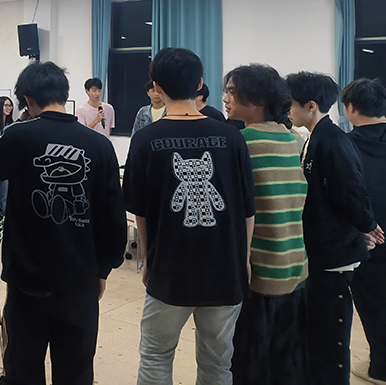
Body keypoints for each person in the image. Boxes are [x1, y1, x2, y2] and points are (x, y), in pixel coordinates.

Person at [0, 62, 127, 385]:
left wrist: (18, 130)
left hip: (26, 279)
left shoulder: (19, 135)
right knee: (75, 371)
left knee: (23, 368)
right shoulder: (100, 146)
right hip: (80, 280)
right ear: (65, 93)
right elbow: (113, 219)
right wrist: (103, 270)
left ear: (27, 99)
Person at [123, 48, 255, 385]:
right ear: (199, 84)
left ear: (156, 87)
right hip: (225, 270)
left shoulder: (145, 140)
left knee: (155, 358)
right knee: (217, 365)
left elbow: (140, 212)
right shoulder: (232, 137)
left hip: (169, 270)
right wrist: (244, 259)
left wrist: (148, 259)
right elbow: (246, 208)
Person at [285, 71, 384, 385]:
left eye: (291, 104)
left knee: (336, 332)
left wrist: (367, 225)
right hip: (330, 246)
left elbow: (351, 192)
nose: (287, 110)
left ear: (310, 105)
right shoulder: (320, 137)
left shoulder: (335, 141)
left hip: (341, 249)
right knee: (322, 328)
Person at [222, 64, 308, 385]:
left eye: (232, 92)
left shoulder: (240, 142)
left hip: (258, 270)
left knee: (249, 360)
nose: (226, 98)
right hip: (295, 265)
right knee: (286, 358)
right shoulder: (291, 138)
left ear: (257, 98)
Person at [341, 78, 386, 385]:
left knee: (373, 303)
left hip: (368, 238)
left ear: (350, 108)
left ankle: (381, 368)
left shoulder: (345, 145)